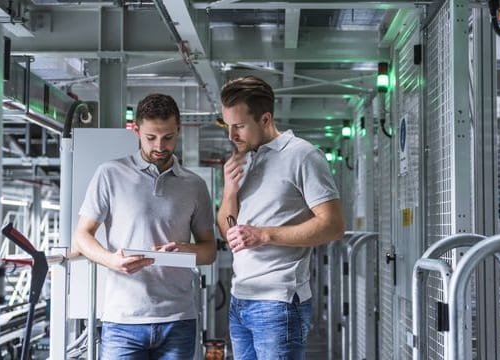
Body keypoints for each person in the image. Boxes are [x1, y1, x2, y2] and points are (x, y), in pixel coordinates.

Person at [73, 93, 216, 360]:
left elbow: (209, 251)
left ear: (178, 131)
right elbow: (82, 235)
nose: (160, 146)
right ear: (136, 131)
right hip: (123, 320)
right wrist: (110, 260)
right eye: (151, 137)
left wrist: (185, 249)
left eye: (168, 137)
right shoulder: (110, 174)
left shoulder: (195, 185)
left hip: (179, 319)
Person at [216, 76, 345, 359]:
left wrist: (264, 235)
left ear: (265, 119)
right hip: (241, 297)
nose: (231, 135)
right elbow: (228, 226)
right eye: (228, 126)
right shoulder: (245, 158)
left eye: (238, 126)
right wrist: (229, 191)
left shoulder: (302, 155)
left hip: (279, 301)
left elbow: (333, 225)